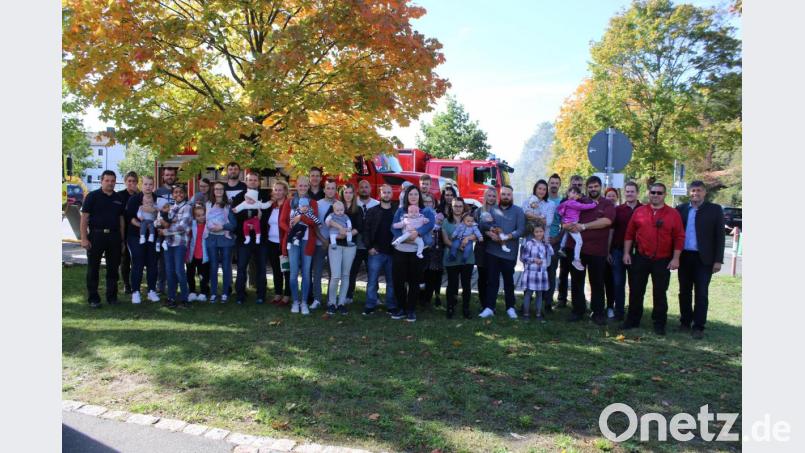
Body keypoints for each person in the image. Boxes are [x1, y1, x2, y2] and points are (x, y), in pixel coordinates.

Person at [622, 182, 685, 335]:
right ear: (648, 193)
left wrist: (676, 258)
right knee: (636, 291)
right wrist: (626, 253)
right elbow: (629, 234)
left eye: (659, 193)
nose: (656, 195)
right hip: (641, 258)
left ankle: (659, 323)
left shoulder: (673, 214)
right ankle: (632, 320)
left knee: (660, 292)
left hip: (663, 260)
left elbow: (679, 237)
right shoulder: (639, 212)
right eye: (653, 192)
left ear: (665, 195)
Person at [676, 181, 725, 339]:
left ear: (704, 193)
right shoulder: (681, 209)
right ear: (689, 192)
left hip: (704, 259)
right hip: (684, 257)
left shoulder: (715, 210)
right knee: (684, 292)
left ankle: (698, 326)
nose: (695, 193)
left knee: (701, 293)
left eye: (699, 191)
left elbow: (720, 236)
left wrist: (718, 260)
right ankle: (685, 322)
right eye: (693, 190)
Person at [564, 176, 616, 325]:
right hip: (577, 250)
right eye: (590, 187)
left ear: (600, 187)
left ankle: (598, 312)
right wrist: (567, 224)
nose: (593, 189)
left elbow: (606, 221)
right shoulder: (580, 201)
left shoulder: (607, 204)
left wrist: (584, 226)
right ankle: (578, 310)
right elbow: (567, 214)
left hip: (598, 251)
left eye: (596, 186)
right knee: (576, 281)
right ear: (587, 188)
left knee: (597, 283)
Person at [478, 185, 526, 319]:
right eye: (503, 194)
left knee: (509, 281)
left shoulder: (518, 211)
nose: (506, 197)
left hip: (509, 253)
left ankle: (510, 307)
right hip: (492, 251)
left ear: (512, 196)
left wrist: (508, 236)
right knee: (492, 281)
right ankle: (489, 307)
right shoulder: (492, 210)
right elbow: (483, 224)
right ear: (500, 196)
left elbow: (521, 230)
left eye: (508, 194)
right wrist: (490, 231)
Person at [81, 170, 126, 308]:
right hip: (96, 236)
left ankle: (112, 297)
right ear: (101, 181)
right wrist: (84, 238)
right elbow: (84, 218)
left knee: (113, 269)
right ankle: (93, 299)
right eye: (107, 180)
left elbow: (121, 220)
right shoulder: (92, 196)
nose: (110, 183)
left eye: (113, 181)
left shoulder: (118, 198)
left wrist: (122, 240)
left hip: (114, 237)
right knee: (93, 269)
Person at [390, 185, 435, 322]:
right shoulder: (400, 211)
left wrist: (417, 233)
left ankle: (411, 310)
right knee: (399, 281)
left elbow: (430, 224)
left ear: (419, 196)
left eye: (416, 194)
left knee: (414, 281)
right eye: (411, 194)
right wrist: (407, 238)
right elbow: (394, 227)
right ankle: (401, 308)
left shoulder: (425, 211)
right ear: (406, 197)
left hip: (416, 252)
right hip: (401, 251)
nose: (413, 197)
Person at [280, 176, 321, 315]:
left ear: (308, 187)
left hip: (307, 241)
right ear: (296, 186)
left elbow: (314, 222)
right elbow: (282, 222)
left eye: (305, 186)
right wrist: (291, 231)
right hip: (293, 241)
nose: (303, 188)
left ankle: (304, 302)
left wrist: (301, 218)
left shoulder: (313, 203)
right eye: (300, 185)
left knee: (306, 273)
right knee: (292, 274)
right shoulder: (289, 202)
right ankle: (295, 302)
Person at [231, 173, 270, 305]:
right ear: (246, 182)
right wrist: (251, 218)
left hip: (261, 238)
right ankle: (240, 295)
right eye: (250, 180)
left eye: (255, 180)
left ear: (259, 182)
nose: (253, 182)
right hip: (244, 239)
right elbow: (235, 214)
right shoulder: (239, 196)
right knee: (241, 267)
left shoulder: (265, 196)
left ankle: (261, 295)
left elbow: (268, 214)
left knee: (261, 268)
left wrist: (260, 219)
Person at [326, 185, 362, 315]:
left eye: (350, 192)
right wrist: (339, 229)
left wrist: (347, 234)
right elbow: (327, 221)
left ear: (353, 194)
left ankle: (341, 303)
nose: (348, 194)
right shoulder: (335, 206)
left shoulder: (357, 210)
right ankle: (331, 302)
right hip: (335, 244)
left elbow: (359, 227)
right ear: (342, 193)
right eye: (345, 192)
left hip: (349, 246)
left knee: (346, 275)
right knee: (335, 276)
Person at [607, 181, 641, 321]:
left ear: (637, 193)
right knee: (618, 283)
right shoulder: (618, 210)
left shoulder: (644, 209)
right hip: (617, 250)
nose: (629, 194)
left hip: (637, 253)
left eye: (632, 191)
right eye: (627, 191)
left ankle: (634, 313)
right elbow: (611, 231)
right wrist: (607, 250)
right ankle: (619, 312)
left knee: (635, 284)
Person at [125, 176, 161, 304]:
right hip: (136, 235)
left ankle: (151, 291)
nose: (148, 187)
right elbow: (129, 217)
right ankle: (136, 291)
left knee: (152, 263)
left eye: (150, 184)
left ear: (153, 185)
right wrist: (143, 226)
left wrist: (155, 222)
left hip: (153, 236)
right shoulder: (134, 199)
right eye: (145, 184)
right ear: (142, 185)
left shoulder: (158, 199)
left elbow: (162, 216)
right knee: (138, 261)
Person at [362, 184, 397, 316]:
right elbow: (366, 231)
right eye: (384, 192)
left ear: (392, 194)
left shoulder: (396, 211)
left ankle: (391, 305)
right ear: (380, 194)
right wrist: (369, 247)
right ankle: (370, 305)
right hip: (376, 251)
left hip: (393, 252)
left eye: (389, 192)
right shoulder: (372, 211)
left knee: (391, 281)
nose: (387, 195)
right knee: (372, 280)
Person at [441, 198, 476, 319]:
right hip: (452, 257)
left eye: (460, 206)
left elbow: (475, 235)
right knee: (452, 283)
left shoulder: (469, 220)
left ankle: (466, 308)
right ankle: (450, 307)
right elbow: (445, 240)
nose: (458, 208)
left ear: (463, 207)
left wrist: (469, 239)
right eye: (455, 206)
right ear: (451, 207)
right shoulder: (446, 222)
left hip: (468, 258)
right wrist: (459, 247)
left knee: (466, 284)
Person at [345, 179, 378, 304]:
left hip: (370, 245)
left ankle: (375, 296)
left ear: (370, 189)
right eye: (362, 187)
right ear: (357, 190)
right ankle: (349, 295)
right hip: (356, 244)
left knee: (372, 272)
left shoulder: (376, 204)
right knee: (352, 271)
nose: (364, 189)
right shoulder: (354, 203)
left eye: (366, 187)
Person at [554, 174, 584, 307]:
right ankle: (561, 299)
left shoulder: (584, 201)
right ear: (570, 185)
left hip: (578, 240)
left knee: (578, 274)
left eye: (579, 185)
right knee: (563, 272)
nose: (576, 187)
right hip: (566, 243)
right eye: (574, 185)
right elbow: (560, 217)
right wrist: (566, 225)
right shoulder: (564, 201)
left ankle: (578, 301)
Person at [161, 185, 193, 309]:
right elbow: (160, 221)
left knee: (179, 271)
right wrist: (163, 225)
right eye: (175, 192)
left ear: (185, 194)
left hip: (180, 243)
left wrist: (166, 230)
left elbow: (182, 227)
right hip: (168, 244)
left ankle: (185, 299)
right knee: (169, 271)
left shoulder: (187, 207)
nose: (178, 194)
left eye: (180, 192)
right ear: (172, 194)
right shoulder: (171, 208)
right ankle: (171, 298)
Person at [205, 181, 237, 303]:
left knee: (225, 267)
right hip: (211, 238)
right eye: (216, 189)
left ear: (224, 191)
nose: (218, 191)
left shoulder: (228, 206)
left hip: (225, 239)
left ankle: (224, 293)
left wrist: (222, 227)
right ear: (213, 190)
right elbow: (202, 219)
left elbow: (234, 225)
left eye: (221, 189)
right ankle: (213, 293)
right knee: (213, 266)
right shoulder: (207, 204)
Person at [308, 179, 338, 310]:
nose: (330, 190)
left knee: (333, 274)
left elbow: (341, 224)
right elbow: (314, 224)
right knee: (318, 272)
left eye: (333, 188)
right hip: (320, 243)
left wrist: (331, 241)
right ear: (324, 190)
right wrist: (323, 239)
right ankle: (317, 299)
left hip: (334, 244)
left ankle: (332, 300)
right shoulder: (317, 204)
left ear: (336, 190)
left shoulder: (339, 204)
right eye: (328, 188)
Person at [519, 222, 553, 322]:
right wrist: (534, 260)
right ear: (533, 233)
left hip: (541, 273)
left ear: (544, 232)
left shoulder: (545, 244)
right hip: (531, 273)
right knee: (528, 293)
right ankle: (526, 314)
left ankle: (538, 314)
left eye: (541, 231)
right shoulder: (529, 244)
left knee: (540, 294)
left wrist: (548, 244)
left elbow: (551, 252)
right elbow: (523, 258)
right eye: (537, 232)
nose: (539, 234)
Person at [557, 187, 598, 271]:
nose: (574, 194)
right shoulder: (574, 203)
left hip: (566, 223)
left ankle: (561, 248)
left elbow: (559, 210)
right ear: (568, 193)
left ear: (578, 196)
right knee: (579, 242)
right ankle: (576, 259)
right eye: (572, 192)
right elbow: (584, 206)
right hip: (573, 224)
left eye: (576, 193)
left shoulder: (566, 203)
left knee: (566, 234)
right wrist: (594, 204)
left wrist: (563, 219)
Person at [265, 179, 292, 306]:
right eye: (275, 190)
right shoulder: (271, 206)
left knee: (286, 270)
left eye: (280, 189)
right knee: (276, 270)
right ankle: (277, 294)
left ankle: (287, 296)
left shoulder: (289, 205)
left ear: (285, 191)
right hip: (271, 242)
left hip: (284, 244)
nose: (278, 192)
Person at [473, 188, 497, 311]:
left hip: (494, 248)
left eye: (494, 196)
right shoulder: (477, 212)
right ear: (485, 196)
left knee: (492, 277)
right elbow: (474, 228)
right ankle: (484, 304)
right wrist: (487, 232)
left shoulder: (499, 212)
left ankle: (491, 303)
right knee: (482, 277)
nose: (491, 198)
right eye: (489, 195)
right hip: (481, 248)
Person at [155, 167, 177, 294]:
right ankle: (161, 285)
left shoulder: (179, 190)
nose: (169, 177)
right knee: (162, 260)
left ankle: (172, 285)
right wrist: (158, 225)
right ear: (163, 177)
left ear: (175, 176)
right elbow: (156, 210)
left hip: (175, 229)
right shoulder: (158, 191)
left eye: (172, 175)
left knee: (175, 259)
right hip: (162, 229)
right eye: (167, 175)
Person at [419, 193, 444, 308]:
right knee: (421, 275)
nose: (428, 204)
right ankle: (420, 299)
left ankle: (428, 300)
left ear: (434, 204)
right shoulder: (419, 214)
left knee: (432, 275)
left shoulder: (438, 216)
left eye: (430, 202)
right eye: (425, 202)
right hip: (422, 249)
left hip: (435, 251)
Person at [117, 171, 139, 294]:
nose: (131, 183)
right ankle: (126, 284)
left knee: (137, 259)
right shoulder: (119, 196)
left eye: (134, 181)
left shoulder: (141, 195)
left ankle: (136, 282)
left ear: (137, 182)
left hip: (137, 232)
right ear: (125, 182)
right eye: (129, 181)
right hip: (124, 231)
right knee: (125, 259)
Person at [544, 174, 563, 311]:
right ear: (548, 184)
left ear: (559, 185)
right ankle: (534, 298)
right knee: (537, 269)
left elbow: (566, 223)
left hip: (554, 242)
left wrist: (558, 238)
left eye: (557, 183)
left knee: (551, 272)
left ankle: (548, 303)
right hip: (539, 241)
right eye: (552, 182)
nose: (554, 185)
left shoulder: (562, 202)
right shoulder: (542, 199)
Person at [186, 204, 210, 302]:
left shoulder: (208, 225)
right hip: (192, 254)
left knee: (202, 275)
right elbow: (187, 238)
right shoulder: (192, 225)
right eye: (198, 215)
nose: (201, 217)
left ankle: (203, 292)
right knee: (190, 274)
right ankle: (192, 291)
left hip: (203, 255)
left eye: (203, 215)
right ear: (194, 216)